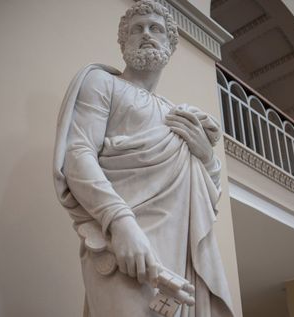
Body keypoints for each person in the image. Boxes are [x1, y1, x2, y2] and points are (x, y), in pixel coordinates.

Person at [53, 1, 234, 316]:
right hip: (120, 240)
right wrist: (122, 224)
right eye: (137, 29)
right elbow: (78, 156)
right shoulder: (103, 84)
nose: (146, 34)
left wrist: (206, 157)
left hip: (180, 246)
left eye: (156, 28)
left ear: (170, 43)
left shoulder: (175, 113)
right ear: (123, 42)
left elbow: (208, 193)